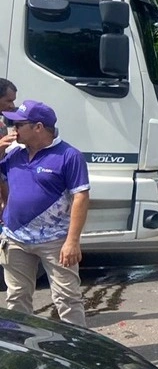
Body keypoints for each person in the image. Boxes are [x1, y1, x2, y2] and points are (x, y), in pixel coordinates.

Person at [0, 101, 90, 327]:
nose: (13, 130)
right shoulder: (13, 154)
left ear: (38, 127)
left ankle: (77, 350)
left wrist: (72, 241)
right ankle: (21, 348)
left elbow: (81, 197)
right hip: (15, 239)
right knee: (17, 297)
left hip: (55, 241)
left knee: (67, 298)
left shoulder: (69, 156)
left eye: (18, 124)